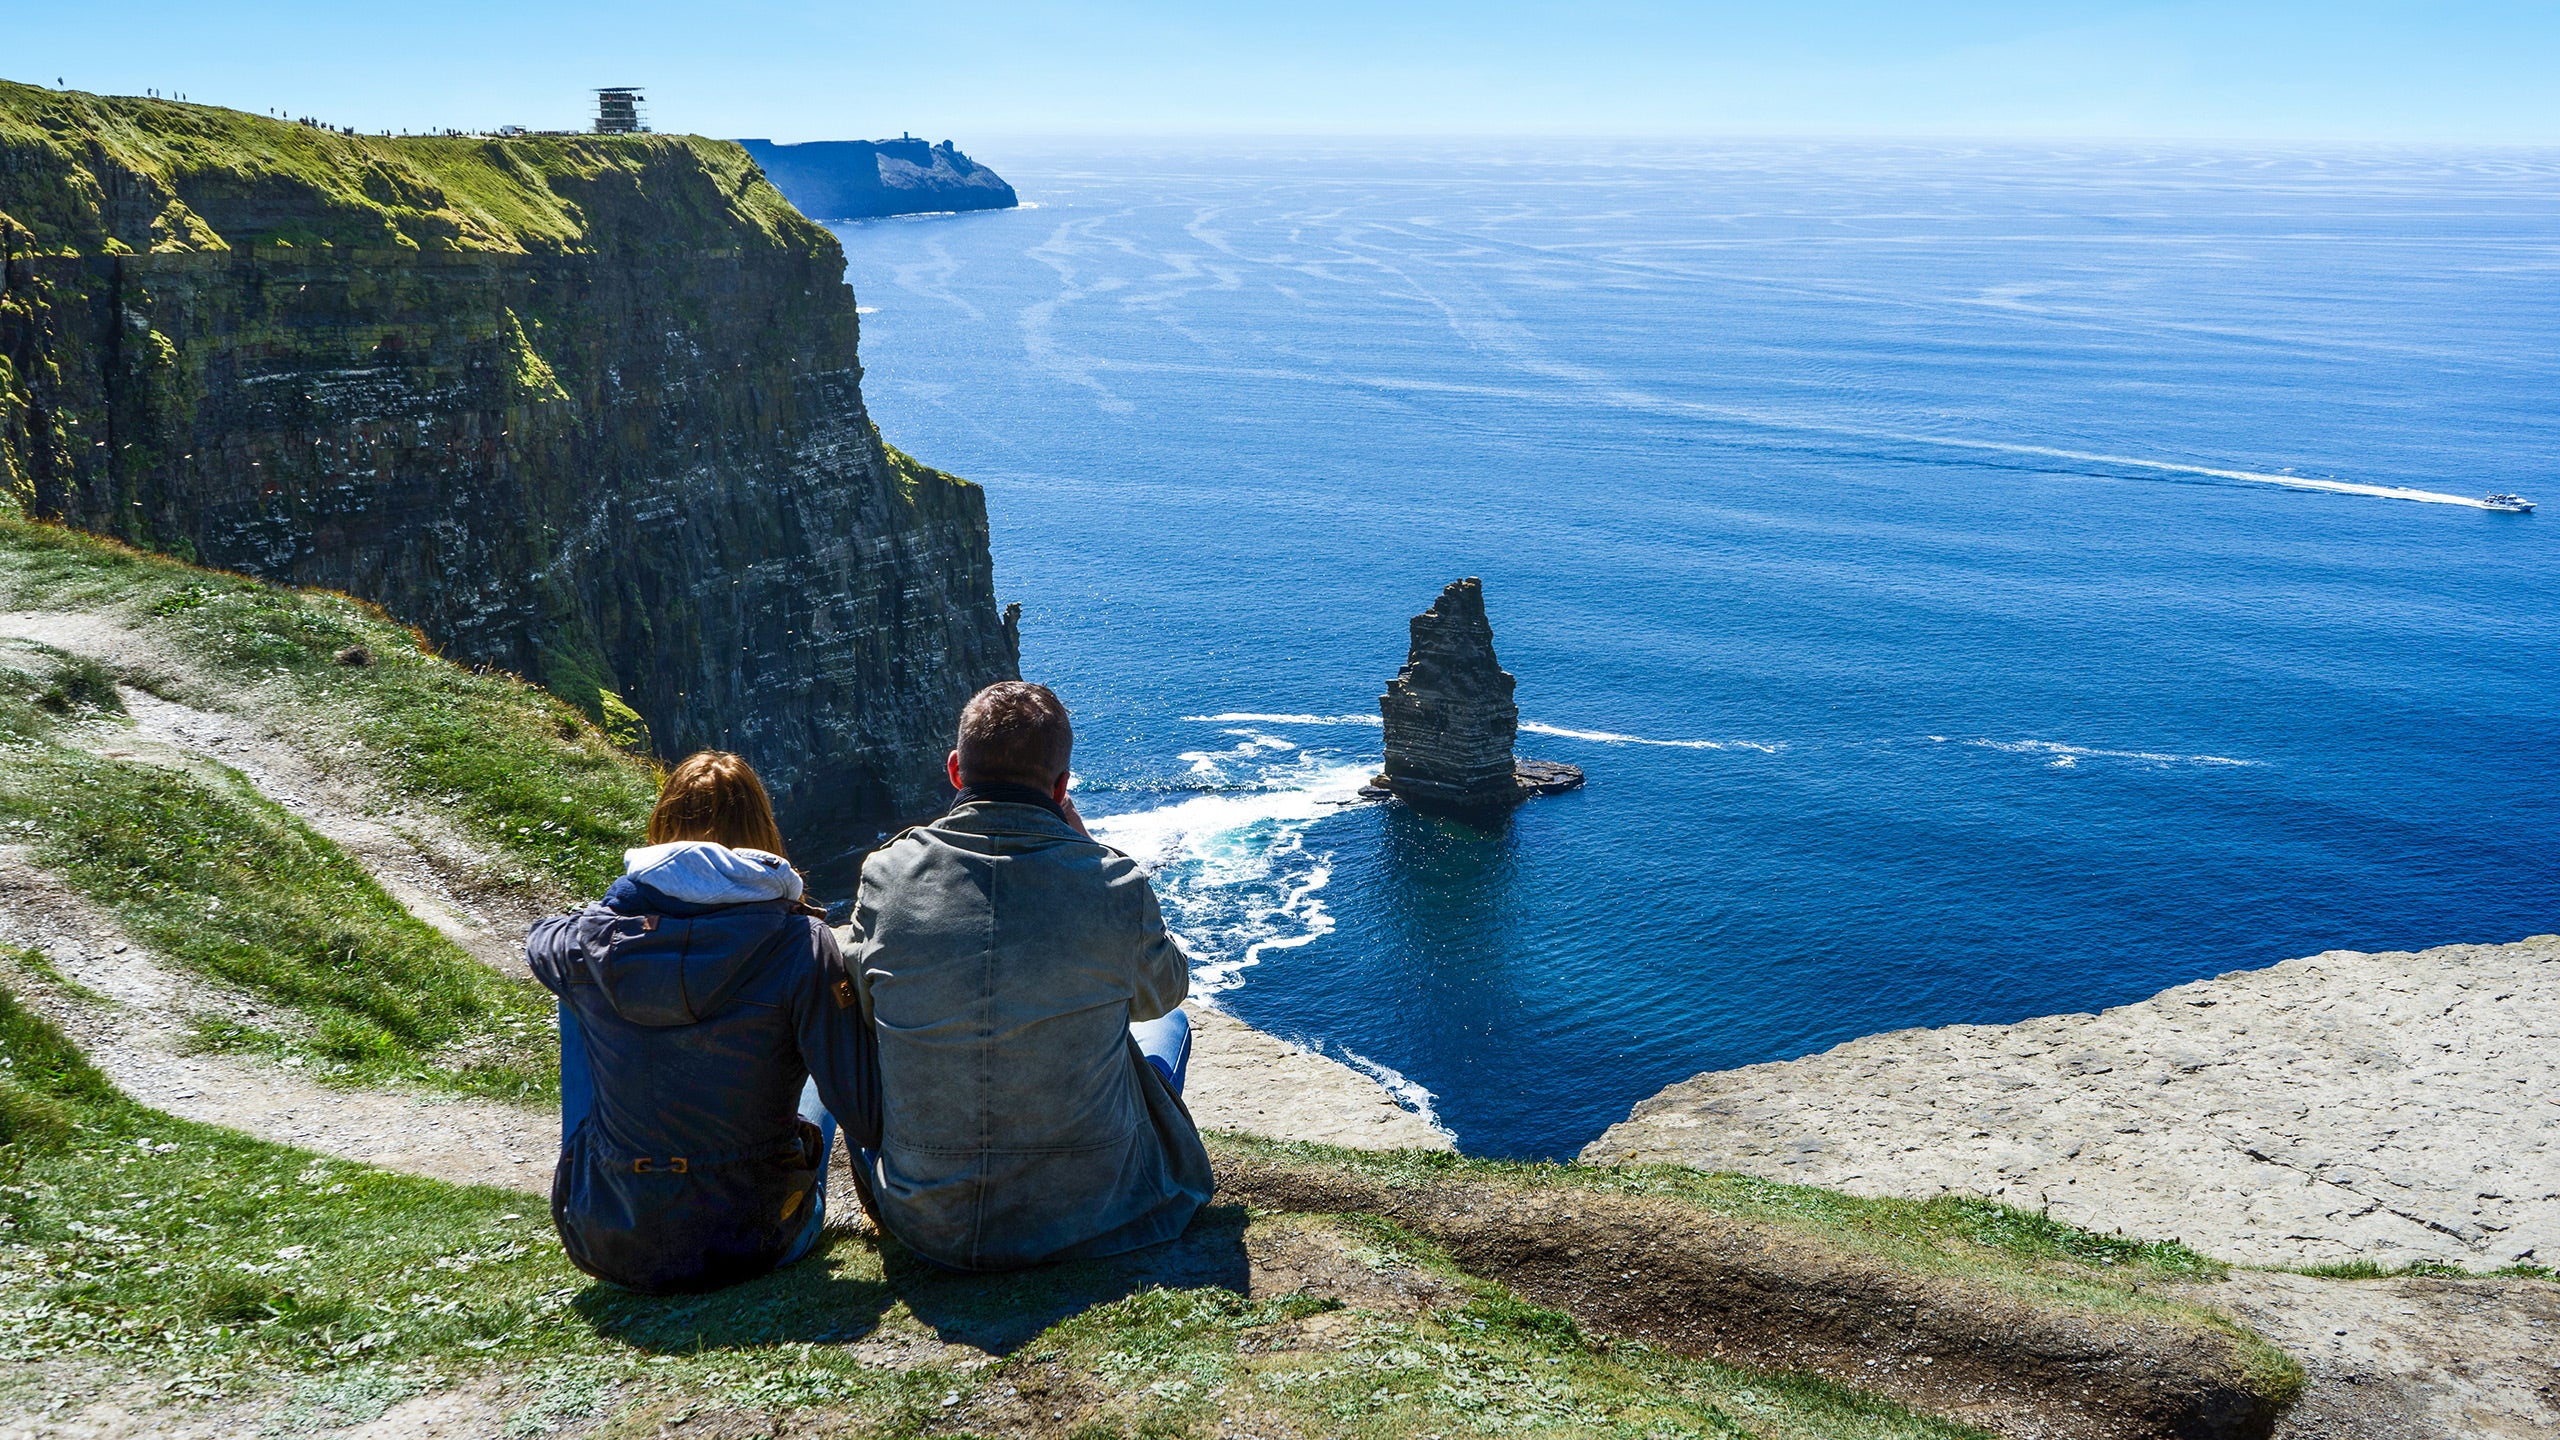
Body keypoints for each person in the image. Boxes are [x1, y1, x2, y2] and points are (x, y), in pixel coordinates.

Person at [845, 681, 1212, 1272]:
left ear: (956, 771)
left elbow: (865, 1004)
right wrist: (1086, 849)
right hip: (1093, 1209)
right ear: (1062, 786)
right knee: (1168, 1029)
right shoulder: (1112, 884)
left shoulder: (886, 874)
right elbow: (1164, 991)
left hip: (929, 1218)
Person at [528, 751, 878, 1294]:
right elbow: (861, 1109)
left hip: (609, 1239)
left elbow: (541, 940)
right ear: (762, 836)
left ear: (660, 840)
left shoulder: (587, 940)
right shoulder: (800, 945)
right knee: (818, 1053)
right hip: (758, 1237)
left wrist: (620, 911)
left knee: (581, 988)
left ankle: (595, 1176)